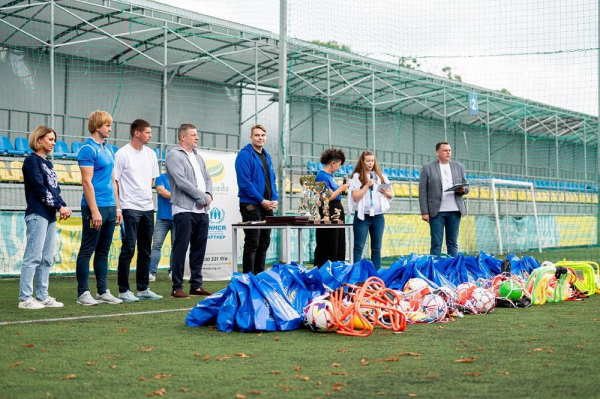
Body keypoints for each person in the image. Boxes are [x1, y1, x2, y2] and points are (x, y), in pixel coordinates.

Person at [18, 126, 72, 309]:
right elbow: (40, 189)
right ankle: (25, 298)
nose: (54, 142)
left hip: (49, 215)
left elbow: (54, 190)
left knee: (46, 258)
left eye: (54, 139)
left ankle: (42, 296)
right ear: (39, 139)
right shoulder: (31, 161)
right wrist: (59, 206)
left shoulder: (48, 163)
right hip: (37, 213)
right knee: (33, 256)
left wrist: (62, 205)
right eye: (50, 139)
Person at [76, 110, 123, 306]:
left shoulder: (108, 149)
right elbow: (86, 182)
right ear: (97, 127)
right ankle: (83, 293)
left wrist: (118, 208)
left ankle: (102, 291)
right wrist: (94, 211)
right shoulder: (87, 149)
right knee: (87, 250)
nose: (110, 128)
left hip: (111, 207)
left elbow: (113, 181)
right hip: (94, 207)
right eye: (106, 125)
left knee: (104, 251)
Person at [114, 119, 162, 302]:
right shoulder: (122, 154)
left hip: (148, 208)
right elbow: (115, 182)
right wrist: (119, 207)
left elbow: (152, 181)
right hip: (129, 208)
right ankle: (123, 290)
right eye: (148, 132)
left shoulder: (151, 154)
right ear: (137, 133)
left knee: (145, 249)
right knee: (128, 249)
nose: (150, 135)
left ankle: (143, 288)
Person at [165, 123, 213, 299]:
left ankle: (196, 285)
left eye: (196, 134)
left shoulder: (198, 157)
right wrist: (202, 198)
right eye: (193, 135)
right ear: (183, 137)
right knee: (181, 247)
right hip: (184, 209)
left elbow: (208, 177)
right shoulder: (173, 156)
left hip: (202, 211)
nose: (197, 137)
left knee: (199, 248)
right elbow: (181, 181)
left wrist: (208, 195)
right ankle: (177, 286)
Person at [234, 124, 278, 274]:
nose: (260, 138)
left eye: (263, 135)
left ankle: (259, 277)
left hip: (266, 205)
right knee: (253, 241)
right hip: (251, 205)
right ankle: (248, 278)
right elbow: (245, 183)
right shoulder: (244, 155)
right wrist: (261, 200)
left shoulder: (267, 156)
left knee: (264, 242)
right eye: (257, 135)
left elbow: (272, 180)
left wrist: (274, 198)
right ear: (251, 137)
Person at [419, 141, 469, 257]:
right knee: (436, 243)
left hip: (455, 210)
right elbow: (422, 191)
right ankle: (435, 269)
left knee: (452, 242)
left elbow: (466, 186)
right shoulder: (427, 168)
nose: (448, 153)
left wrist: (463, 190)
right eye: (445, 150)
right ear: (438, 153)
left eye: (449, 150)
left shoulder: (459, 166)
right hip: (436, 212)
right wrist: (425, 212)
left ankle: (453, 269)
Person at [348, 150, 394, 270]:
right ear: (362, 162)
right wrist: (367, 185)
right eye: (368, 161)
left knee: (376, 248)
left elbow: (391, 195)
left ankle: (376, 274)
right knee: (358, 247)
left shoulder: (381, 176)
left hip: (378, 217)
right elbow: (356, 197)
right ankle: (356, 274)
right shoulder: (356, 177)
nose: (370, 163)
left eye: (372, 161)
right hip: (362, 217)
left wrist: (386, 192)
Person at [313, 148, 350, 268]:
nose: (339, 168)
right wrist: (340, 189)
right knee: (329, 244)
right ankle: (324, 270)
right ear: (333, 163)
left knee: (338, 245)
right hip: (328, 212)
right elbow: (324, 198)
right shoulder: (321, 176)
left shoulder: (329, 177)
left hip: (336, 211)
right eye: (338, 165)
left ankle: (336, 269)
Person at [149, 172, 174, 281]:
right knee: (156, 245)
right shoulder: (161, 177)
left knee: (176, 247)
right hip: (162, 218)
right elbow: (161, 191)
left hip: (178, 218)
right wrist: (178, 197)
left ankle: (173, 271)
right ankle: (151, 272)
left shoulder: (180, 177)